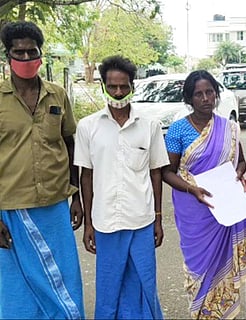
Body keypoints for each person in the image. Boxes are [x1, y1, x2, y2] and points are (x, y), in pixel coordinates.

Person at [0, 21, 84, 319]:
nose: (25, 59)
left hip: (54, 206)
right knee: (17, 287)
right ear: (7, 56)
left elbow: (70, 144)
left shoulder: (57, 95)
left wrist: (76, 197)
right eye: (18, 52)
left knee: (63, 277)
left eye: (30, 52)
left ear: (40, 54)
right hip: (11, 209)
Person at [74, 55, 169, 319]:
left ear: (132, 87)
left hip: (142, 220)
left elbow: (156, 174)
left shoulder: (149, 126)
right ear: (103, 86)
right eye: (112, 86)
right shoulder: (88, 127)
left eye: (124, 86)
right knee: (109, 287)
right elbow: (86, 177)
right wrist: (89, 225)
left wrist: (158, 220)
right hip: (105, 223)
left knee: (143, 283)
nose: (118, 93)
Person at [161, 70, 246, 319]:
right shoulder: (178, 130)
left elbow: (241, 162)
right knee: (198, 268)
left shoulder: (229, 128)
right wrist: (192, 189)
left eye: (209, 92)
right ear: (189, 99)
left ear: (216, 94)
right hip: (194, 210)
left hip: (225, 208)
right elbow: (167, 172)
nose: (205, 98)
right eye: (198, 94)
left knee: (223, 268)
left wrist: (237, 176)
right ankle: (201, 312)